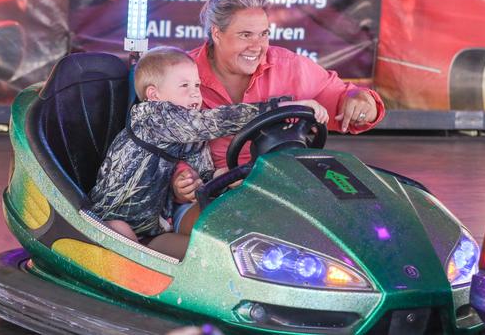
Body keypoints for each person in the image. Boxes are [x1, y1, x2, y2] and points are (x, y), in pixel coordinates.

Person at [172, 0, 386, 232]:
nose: (258, 46)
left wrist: (360, 101)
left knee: (357, 221)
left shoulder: (289, 66)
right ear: (217, 33)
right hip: (212, 193)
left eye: (263, 34)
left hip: (284, 188)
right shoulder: (183, 74)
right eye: (245, 35)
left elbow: (344, 96)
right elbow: (160, 140)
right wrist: (182, 179)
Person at [85, 46, 328, 260]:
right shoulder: (151, 117)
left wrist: (223, 176)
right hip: (111, 219)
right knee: (119, 229)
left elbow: (203, 174)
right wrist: (278, 107)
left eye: (197, 85)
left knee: (212, 252)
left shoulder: (188, 135)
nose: (194, 93)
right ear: (153, 95)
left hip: (153, 229)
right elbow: (207, 122)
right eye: (184, 86)